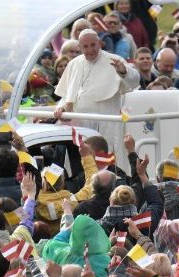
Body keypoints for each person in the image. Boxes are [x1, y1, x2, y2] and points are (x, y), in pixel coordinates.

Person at [54, 29, 140, 173]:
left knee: (105, 161)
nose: (90, 50)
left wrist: (123, 71)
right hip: (80, 124)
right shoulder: (74, 64)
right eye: (85, 47)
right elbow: (67, 94)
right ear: (79, 48)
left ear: (100, 43)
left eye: (93, 45)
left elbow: (135, 80)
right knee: (82, 163)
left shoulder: (114, 60)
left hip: (105, 121)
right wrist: (61, 107)